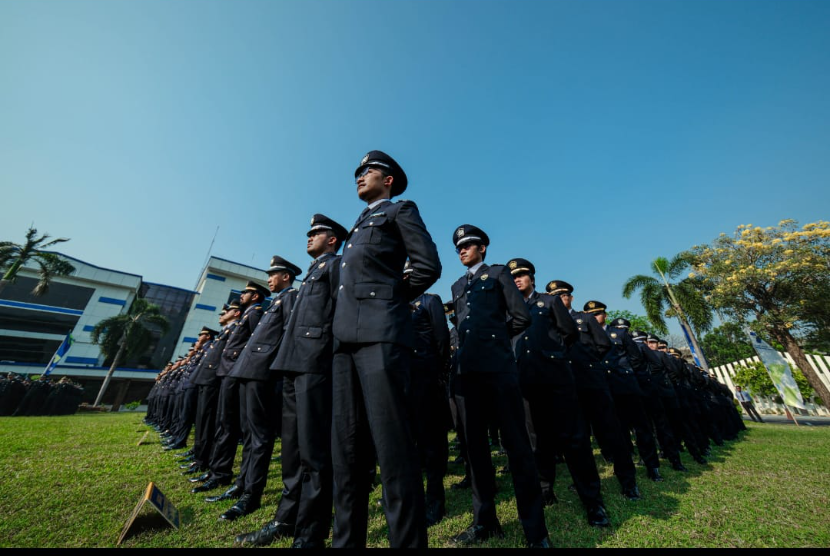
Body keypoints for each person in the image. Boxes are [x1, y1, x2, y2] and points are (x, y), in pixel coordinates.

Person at [330, 150, 441, 548]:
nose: (359, 177)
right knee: (347, 454)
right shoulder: (357, 227)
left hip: (381, 337)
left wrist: (385, 302)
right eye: (357, 172)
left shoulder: (399, 211)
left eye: (368, 171)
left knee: (393, 453)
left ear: (388, 179)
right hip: (344, 342)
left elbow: (427, 266)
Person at [235, 215, 346, 548]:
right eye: (309, 233)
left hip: (316, 363)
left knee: (314, 454)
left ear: (333, 240)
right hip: (293, 364)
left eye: (317, 233)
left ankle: (310, 534)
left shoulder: (337, 266)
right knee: (293, 452)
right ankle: (285, 519)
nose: (309, 237)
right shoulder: (312, 273)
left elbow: (340, 312)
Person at [448, 228, 550, 548]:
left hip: (498, 368)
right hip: (467, 374)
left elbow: (520, 317)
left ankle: (535, 530)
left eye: (467, 245)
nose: (462, 250)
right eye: (458, 247)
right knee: (476, 450)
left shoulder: (498, 274)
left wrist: (493, 338)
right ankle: (485, 522)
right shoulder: (457, 285)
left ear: (482, 247)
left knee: (517, 447)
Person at [510, 261, 610, 529]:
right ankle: (545, 490)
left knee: (574, 440)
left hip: (556, 380)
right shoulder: (509, 307)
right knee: (537, 442)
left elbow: (569, 333)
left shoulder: (549, 302)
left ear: (531, 277)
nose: (517, 279)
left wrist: (552, 357)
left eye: (521, 275)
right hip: (526, 382)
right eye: (513, 277)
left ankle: (593, 501)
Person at [219, 260, 300, 521]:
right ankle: (242, 483)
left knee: (260, 436)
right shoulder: (273, 303)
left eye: (273, 275)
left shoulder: (290, 298)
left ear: (285, 277)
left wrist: (273, 365)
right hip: (248, 369)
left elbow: (288, 334)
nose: (269, 279)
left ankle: (251, 494)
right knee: (249, 434)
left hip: (262, 372)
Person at [553, 282, 641, 501]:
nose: (560, 298)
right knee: (578, 438)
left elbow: (603, 345)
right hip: (567, 384)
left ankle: (628, 481)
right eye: (554, 295)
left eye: (563, 295)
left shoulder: (585, 319)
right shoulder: (549, 321)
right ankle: (584, 481)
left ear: (571, 298)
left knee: (611, 432)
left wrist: (588, 363)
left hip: (592, 381)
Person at [405, 260, 452, 528]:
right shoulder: (396, 301)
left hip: (425, 378)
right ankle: (408, 497)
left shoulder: (429, 300)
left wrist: (438, 373)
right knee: (406, 443)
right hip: (401, 380)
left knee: (431, 444)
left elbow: (442, 340)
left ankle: (435, 501)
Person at [591, 309, 662, 483]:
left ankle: (652, 465)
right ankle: (623, 466)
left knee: (641, 427)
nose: (594, 317)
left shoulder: (619, 333)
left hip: (626, 385)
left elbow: (635, 357)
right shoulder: (587, 335)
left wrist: (627, 374)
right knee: (616, 430)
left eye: (598, 313)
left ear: (605, 315)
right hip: (604, 387)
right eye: (590, 314)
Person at [189, 303, 242, 488]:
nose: (222, 314)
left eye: (226, 312)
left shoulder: (237, 327)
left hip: (219, 378)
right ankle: (206, 463)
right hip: (212, 377)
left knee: (218, 424)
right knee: (205, 421)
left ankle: (216, 469)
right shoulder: (225, 331)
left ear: (236, 313)